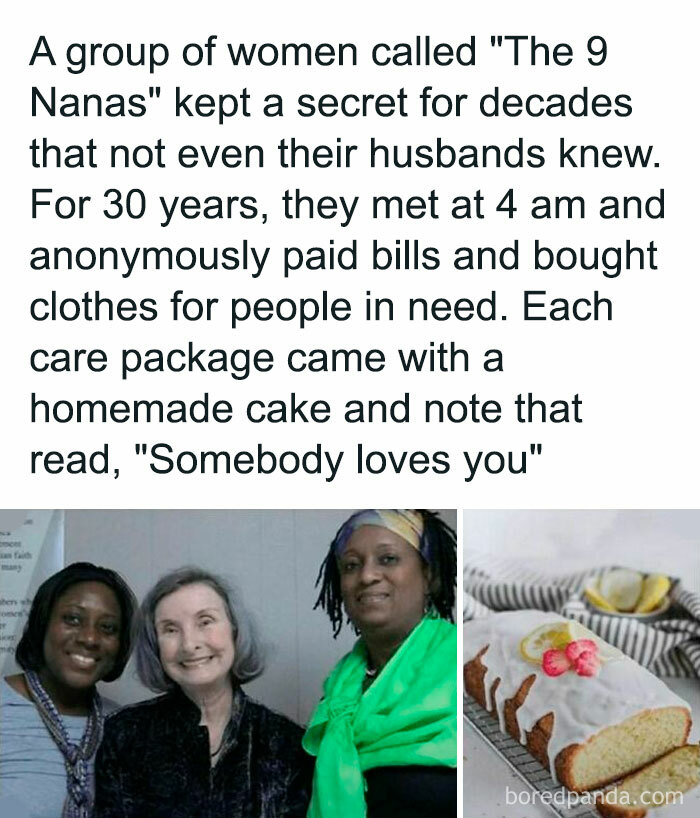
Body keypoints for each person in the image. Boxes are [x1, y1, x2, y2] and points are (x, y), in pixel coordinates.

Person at [95, 567, 311, 818]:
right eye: (170, 629)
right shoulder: (123, 735)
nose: (189, 644)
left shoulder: (287, 743)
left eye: (205, 621)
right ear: (155, 646)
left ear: (234, 630)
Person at [303, 509, 458, 818]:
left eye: (388, 559)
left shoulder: (464, 669)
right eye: (351, 565)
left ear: (429, 577)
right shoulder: (337, 695)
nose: (367, 576)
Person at [0, 562, 137, 818]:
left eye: (107, 627)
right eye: (73, 619)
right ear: (42, 624)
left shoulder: (125, 727)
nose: (89, 638)